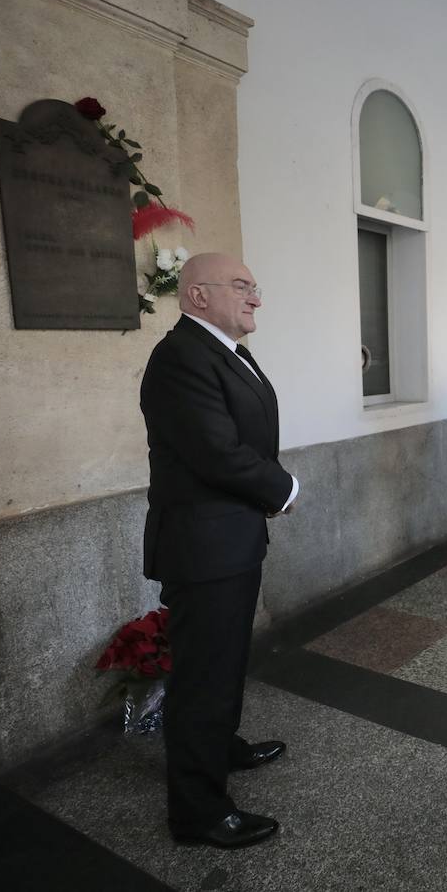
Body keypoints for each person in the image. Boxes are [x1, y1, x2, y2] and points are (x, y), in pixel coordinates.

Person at [140, 252, 296, 849]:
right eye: (241, 286)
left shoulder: (224, 350)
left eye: (255, 287)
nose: (255, 297)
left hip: (230, 539)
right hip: (203, 547)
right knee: (203, 676)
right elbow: (215, 450)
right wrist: (285, 489)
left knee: (225, 661)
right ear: (197, 295)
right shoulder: (180, 356)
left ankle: (220, 750)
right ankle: (197, 812)